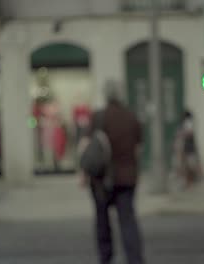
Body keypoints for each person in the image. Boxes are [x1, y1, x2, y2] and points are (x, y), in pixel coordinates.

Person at [80, 80, 144, 264]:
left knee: (102, 222)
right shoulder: (131, 117)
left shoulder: (99, 117)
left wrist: (84, 174)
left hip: (102, 179)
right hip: (127, 178)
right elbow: (138, 149)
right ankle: (135, 259)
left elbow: (87, 148)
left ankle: (106, 258)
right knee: (128, 221)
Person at [174, 111, 202, 189]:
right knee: (186, 165)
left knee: (189, 164)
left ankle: (191, 180)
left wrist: (182, 134)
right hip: (187, 147)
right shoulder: (187, 123)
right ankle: (188, 181)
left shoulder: (188, 123)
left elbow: (189, 133)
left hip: (188, 147)